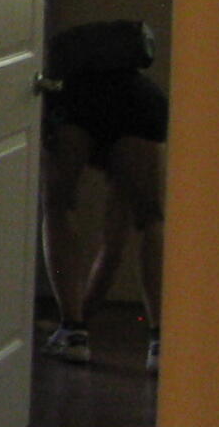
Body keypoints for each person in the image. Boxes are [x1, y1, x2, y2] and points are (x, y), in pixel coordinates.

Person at [39, 19, 168, 372]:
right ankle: (160, 342)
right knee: (150, 217)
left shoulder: (71, 99)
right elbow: (113, 247)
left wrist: (78, 322)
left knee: (58, 205)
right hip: (141, 105)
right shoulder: (141, 100)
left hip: (74, 102)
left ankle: (71, 334)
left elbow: (109, 247)